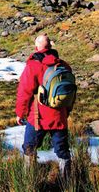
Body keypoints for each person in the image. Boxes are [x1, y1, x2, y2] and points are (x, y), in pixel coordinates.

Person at [15, 34, 72, 174]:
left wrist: (20, 113)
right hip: (60, 115)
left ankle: (28, 180)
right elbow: (69, 92)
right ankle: (67, 181)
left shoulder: (33, 65)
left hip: (38, 116)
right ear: (50, 47)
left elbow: (24, 92)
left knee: (29, 147)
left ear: (36, 47)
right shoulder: (63, 65)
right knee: (62, 150)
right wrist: (66, 111)